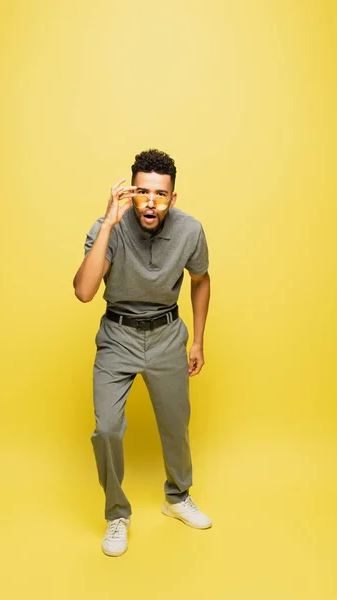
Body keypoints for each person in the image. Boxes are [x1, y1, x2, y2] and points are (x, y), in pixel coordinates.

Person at [73, 149, 212, 557]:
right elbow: (84, 292)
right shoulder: (109, 227)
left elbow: (201, 280)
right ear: (131, 192)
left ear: (173, 196)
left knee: (175, 426)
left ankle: (177, 496)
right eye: (143, 192)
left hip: (168, 335)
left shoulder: (191, 230)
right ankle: (117, 513)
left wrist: (198, 340)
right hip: (118, 336)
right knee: (108, 429)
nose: (151, 201)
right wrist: (108, 224)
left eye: (161, 194)